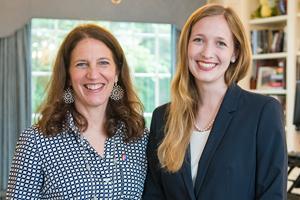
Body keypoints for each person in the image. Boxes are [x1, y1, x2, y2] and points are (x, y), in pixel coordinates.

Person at [143, 4, 287, 200]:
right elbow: (154, 194)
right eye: (199, 40)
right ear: (186, 46)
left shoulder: (263, 112)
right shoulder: (163, 117)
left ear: (235, 53)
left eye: (220, 43)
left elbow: (272, 195)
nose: (207, 53)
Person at [6, 24, 148, 199]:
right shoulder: (36, 142)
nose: (93, 74)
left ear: (117, 72)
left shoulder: (140, 138)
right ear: (67, 76)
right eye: (82, 64)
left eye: (103, 63)